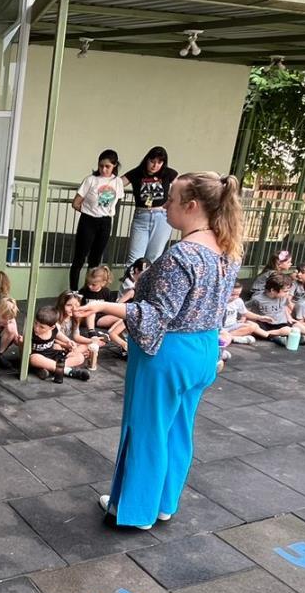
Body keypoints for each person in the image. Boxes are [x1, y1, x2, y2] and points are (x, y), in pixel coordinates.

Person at [82, 172, 242, 530]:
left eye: (170, 199)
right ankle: (164, 503)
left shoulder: (182, 254)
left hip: (169, 353)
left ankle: (136, 511)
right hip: (202, 349)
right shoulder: (228, 250)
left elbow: (157, 315)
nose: (163, 205)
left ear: (192, 206)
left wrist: (103, 307)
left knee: (147, 428)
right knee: (178, 429)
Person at [70, 149, 126, 289]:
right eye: (101, 165)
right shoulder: (91, 180)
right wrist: (89, 211)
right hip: (88, 220)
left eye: (107, 166)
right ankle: (74, 291)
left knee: (95, 260)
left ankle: (90, 290)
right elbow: (76, 203)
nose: (103, 169)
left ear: (114, 166)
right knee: (79, 258)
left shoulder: (118, 182)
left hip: (105, 221)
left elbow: (116, 201)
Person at [122, 147, 178, 263]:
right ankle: (130, 281)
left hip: (162, 216)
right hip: (141, 216)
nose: (155, 165)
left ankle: (148, 281)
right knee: (134, 259)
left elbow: (183, 186)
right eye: (152, 161)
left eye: (159, 163)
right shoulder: (136, 173)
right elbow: (117, 183)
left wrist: (173, 201)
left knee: (154, 257)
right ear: (147, 160)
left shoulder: (168, 173)